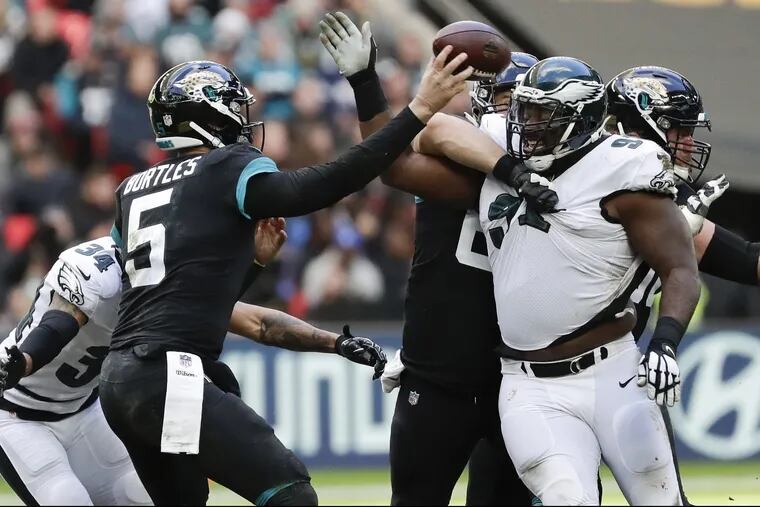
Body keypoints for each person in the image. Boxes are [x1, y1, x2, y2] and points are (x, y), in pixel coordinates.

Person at [97, 51, 472, 505]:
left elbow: (182, 301)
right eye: (233, 107)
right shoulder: (225, 167)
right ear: (207, 115)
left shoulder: (132, 189)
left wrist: (253, 265)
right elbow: (328, 182)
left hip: (119, 381)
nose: (242, 119)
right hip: (168, 376)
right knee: (290, 492)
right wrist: (418, 110)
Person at [0, 220, 387, 506]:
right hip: (16, 411)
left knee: (139, 496)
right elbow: (57, 326)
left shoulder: (167, 278)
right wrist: (23, 361)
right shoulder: (94, 270)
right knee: (66, 500)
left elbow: (258, 322)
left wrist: (335, 341)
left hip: (82, 409)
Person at [319, 12, 535, 505]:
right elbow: (399, 158)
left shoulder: (567, 176)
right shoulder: (465, 161)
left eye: (531, 105)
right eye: (510, 99)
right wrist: (366, 83)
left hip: (520, 377)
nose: (521, 115)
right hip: (442, 374)